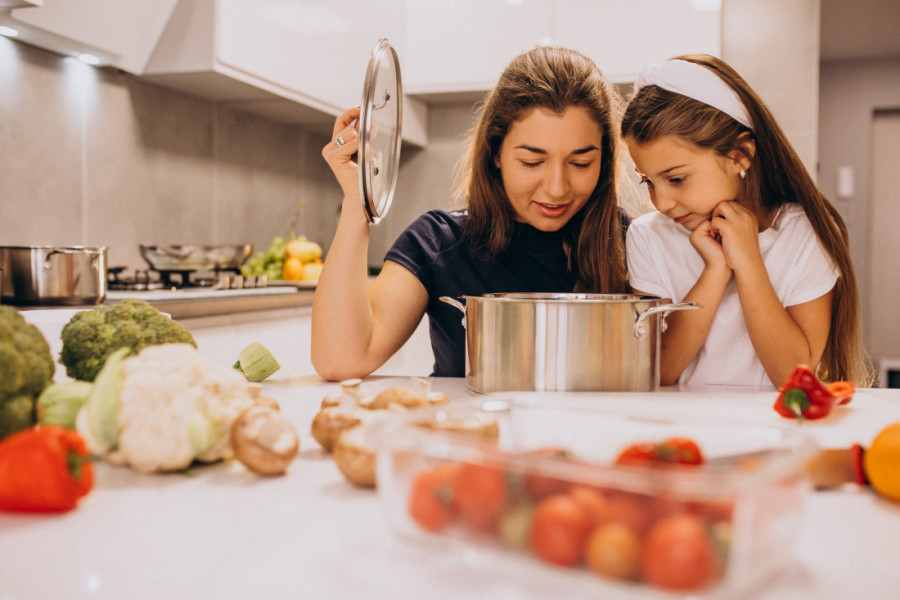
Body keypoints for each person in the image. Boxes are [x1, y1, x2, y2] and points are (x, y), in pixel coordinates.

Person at [312, 46, 631, 380]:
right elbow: (340, 361)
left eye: (580, 163)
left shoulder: (630, 241)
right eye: (532, 162)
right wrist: (356, 200)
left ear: (604, 159)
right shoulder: (438, 242)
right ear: (495, 153)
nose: (556, 187)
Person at [621, 54, 869, 388]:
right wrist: (715, 271)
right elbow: (658, 371)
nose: (661, 202)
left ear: (740, 156)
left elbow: (794, 378)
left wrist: (749, 261)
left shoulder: (806, 233)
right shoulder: (648, 237)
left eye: (677, 179)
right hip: (681, 430)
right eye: (648, 181)